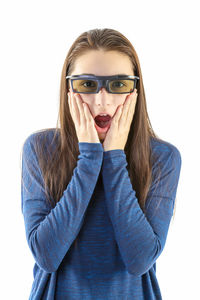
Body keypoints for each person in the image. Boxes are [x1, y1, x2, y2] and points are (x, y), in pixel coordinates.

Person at [21, 28, 182, 299]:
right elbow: (47, 256)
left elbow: (140, 260)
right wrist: (90, 158)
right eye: (87, 85)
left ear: (135, 91)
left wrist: (114, 158)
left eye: (119, 85)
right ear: (69, 90)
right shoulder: (40, 150)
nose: (102, 101)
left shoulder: (163, 158)